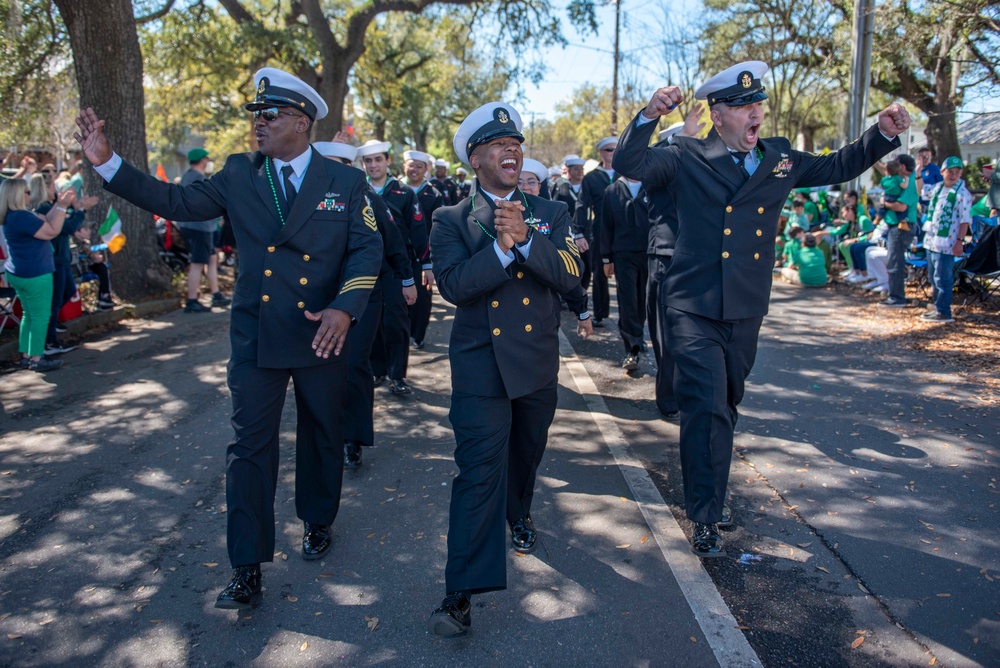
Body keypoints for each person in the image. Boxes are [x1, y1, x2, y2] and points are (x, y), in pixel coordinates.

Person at [74, 68, 383, 609]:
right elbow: (176, 202)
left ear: (302, 123)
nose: (257, 125)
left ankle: (316, 519)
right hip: (257, 333)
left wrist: (344, 307)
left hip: (321, 332)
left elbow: (366, 251)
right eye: (255, 116)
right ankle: (246, 565)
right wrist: (107, 162)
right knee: (249, 448)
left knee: (321, 433)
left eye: (269, 116)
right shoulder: (241, 172)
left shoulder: (345, 181)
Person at [613, 61, 908, 558]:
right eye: (745, 106)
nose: (757, 114)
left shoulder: (780, 158)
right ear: (718, 113)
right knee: (704, 404)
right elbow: (630, 164)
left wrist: (879, 133)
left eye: (759, 105)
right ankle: (705, 513)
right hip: (692, 302)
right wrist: (647, 115)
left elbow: (837, 165)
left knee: (726, 403)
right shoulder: (683, 154)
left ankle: (713, 491)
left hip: (746, 305)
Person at [427, 102, 582, 637]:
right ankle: (459, 594)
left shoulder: (549, 212)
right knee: (477, 474)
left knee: (525, 455)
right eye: (497, 144)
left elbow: (569, 276)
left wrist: (531, 239)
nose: (511, 149)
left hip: (536, 364)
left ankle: (521, 512)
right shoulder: (449, 219)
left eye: (515, 142)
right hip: (480, 368)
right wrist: (501, 247)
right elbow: (453, 286)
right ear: (475, 159)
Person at [314, 140, 416, 468]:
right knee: (320, 368)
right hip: (318, 296)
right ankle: (325, 433)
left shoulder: (366, 196)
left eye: (336, 163)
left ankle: (352, 438)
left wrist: (407, 277)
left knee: (354, 364)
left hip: (362, 294)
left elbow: (391, 239)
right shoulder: (303, 197)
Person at [358, 139, 424, 395]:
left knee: (396, 321)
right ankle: (378, 370)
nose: (373, 165)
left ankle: (398, 375)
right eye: (368, 160)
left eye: (378, 159)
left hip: (397, 267)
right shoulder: (356, 190)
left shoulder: (404, 193)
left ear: (388, 161)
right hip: (365, 267)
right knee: (369, 320)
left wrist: (421, 268)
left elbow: (417, 232)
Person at [0, 178, 76, 371]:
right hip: (35, 274)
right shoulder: (21, 217)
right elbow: (52, 231)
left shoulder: (14, 216)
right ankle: (36, 358)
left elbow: (46, 221)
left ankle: (27, 355)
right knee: (41, 316)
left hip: (20, 272)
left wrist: (59, 204)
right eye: (26, 192)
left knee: (29, 315)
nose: (30, 195)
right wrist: (63, 207)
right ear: (16, 195)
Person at [521, 158, 594, 339]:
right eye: (519, 182)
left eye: (531, 182)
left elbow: (566, 268)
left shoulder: (554, 214)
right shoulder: (498, 213)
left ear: (540, 186)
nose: (526, 187)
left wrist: (582, 312)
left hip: (544, 306)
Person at [601, 175, 650, 371]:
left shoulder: (652, 185)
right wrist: (606, 258)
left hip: (650, 252)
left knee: (643, 299)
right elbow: (605, 226)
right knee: (628, 298)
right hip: (623, 254)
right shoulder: (613, 191)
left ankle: (637, 334)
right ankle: (632, 348)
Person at [174, 148, 231, 312]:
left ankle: (216, 294)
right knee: (198, 263)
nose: (207, 162)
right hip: (199, 227)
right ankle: (192, 300)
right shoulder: (199, 178)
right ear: (203, 161)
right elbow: (205, 204)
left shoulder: (186, 176)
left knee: (211, 258)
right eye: (206, 160)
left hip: (192, 226)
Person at [921, 156, 972, 323]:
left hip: (948, 243)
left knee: (943, 278)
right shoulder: (937, 188)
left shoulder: (962, 194)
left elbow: (965, 220)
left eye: (957, 172)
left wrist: (960, 241)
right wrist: (918, 172)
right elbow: (921, 191)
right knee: (933, 276)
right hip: (932, 240)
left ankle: (944, 311)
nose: (953, 175)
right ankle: (937, 306)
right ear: (942, 172)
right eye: (950, 171)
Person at [401, 150, 442, 351]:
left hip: (423, 254)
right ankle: (401, 333)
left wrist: (432, 261)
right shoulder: (395, 189)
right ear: (403, 167)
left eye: (419, 166)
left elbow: (438, 228)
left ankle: (418, 334)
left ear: (426, 170)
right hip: (397, 253)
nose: (414, 169)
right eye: (411, 165)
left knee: (422, 297)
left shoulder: (433, 194)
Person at [576, 137, 618, 326]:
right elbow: (582, 205)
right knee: (600, 273)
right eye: (609, 150)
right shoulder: (592, 178)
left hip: (627, 231)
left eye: (616, 149)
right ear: (601, 152)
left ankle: (629, 318)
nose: (613, 153)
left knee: (628, 274)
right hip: (600, 231)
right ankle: (600, 312)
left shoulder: (627, 174)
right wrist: (579, 233)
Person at [878, 153, 917, 306]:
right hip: (897, 226)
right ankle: (895, 295)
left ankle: (896, 297)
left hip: (902, 227)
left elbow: (901, 206)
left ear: (901, 166)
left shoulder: (910, 182)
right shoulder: (901, 180)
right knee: (894, 261)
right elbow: (884, 170)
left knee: (894, 262)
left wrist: (884, 203)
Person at [916, 147, 943, 212]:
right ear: (919, 157)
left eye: (930, 157)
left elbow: (941, 184)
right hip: (916, 203)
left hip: (930, 203)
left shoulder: (935, 169)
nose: (928, 159)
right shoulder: (914, 169)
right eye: (926, 157)